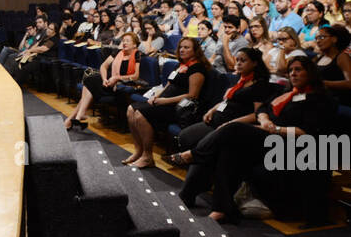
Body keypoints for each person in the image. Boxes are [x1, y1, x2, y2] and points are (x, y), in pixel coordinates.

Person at [174, 57, 337, 224]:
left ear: (310, 73)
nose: (293, 74)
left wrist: (276, 129)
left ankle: (194, 155)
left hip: (293, 145)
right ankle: (219, 209)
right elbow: (263, 108)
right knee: (228, 151)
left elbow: (307, 133)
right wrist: (265, 120)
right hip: (268, 136)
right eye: (290, 71)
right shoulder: (286, 93)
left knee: (232, 129)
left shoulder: (319, 99)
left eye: (298, 70)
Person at [124, 37, 207, 169]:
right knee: (130, 109)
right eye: (181, 47)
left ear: (195, 51)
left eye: (187, 47)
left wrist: (164, 101)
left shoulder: (197, 68)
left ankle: (147, 156)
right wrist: (155, 96)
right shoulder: (180, 65)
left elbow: (192, 95)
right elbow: (167, 86)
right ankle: (138, 151)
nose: (182, 50)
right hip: (163, 102)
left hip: (177, 108)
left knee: (140, 115)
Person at [66, 32, 140, 131]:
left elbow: (135, 76)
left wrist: (117, 78)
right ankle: (78, 116)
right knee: (89, 78)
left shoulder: (137, 54)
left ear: (134, 44)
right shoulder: (118, 52)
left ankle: (73, 118)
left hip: (123, 83)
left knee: (90, 84)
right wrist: (104, 79)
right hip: (109, 80)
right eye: (123, 41)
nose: (124, 43)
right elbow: (103, 66)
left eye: (128, 41)